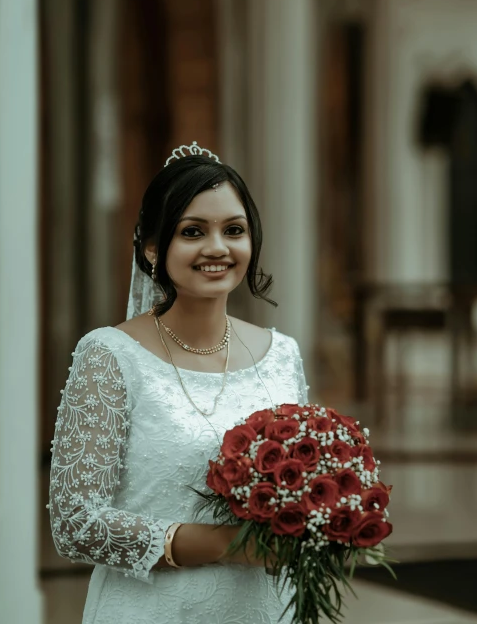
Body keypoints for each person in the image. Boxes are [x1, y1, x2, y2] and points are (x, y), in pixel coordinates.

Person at [48, 142, 310, 624]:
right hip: (153, 610)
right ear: (152, 248)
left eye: (234, 230)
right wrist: (232, 545)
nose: (217, 247)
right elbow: (75, 524)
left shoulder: (282, 355)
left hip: (266, 608)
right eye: (193, 232)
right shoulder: (110, 355)